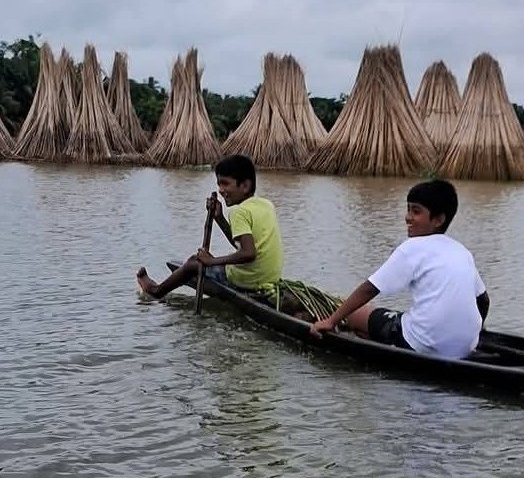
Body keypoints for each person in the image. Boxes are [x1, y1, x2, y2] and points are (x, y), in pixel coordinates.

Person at [309, 179, 490, 360]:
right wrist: (475, 330)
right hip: (466, 347)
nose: (408, 217)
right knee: (398, 317)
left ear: (438, 220)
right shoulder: (462, 251)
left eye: (416, 211)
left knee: (356, 315)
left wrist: (330, 321)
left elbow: (370, 288)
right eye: (408, 209)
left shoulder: (412, 247)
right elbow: (484, 300)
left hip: (421, 344)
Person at [136, 154, 284, 301]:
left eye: (225, 183)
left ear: (245, 186)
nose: (220, 189)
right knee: (206, 260)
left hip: (248, 280)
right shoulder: (266, 205)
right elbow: (242, 245)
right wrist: (219, 218)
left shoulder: (239, 212)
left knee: (194, 262)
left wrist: (211, 262)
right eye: (219, 184)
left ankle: (156, 291)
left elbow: (248, 253)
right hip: (268, 278)